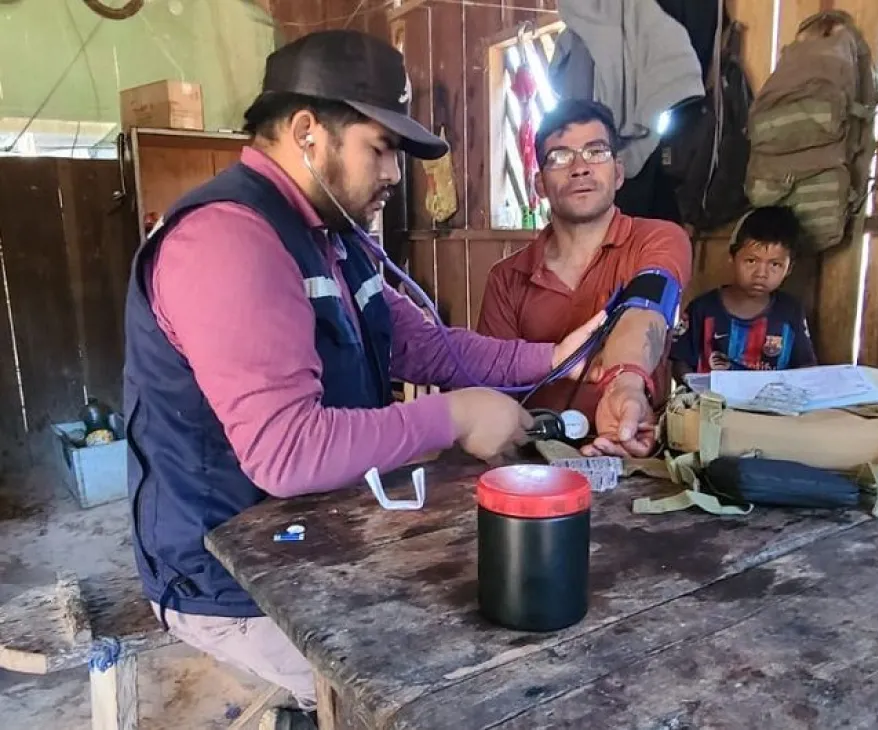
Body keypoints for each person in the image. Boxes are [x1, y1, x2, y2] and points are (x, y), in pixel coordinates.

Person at [123, 30, 603, 729]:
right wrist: (457, 418)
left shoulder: (331, 235)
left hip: (314, 546)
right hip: (228, 584)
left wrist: (553, 357)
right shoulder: (229, 240)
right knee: (456, 697)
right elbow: (287, 452)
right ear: (308, 131)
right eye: (380, 148)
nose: (394, 173)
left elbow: (424, 345)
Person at [477, 99, 693, 458]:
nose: (580, 167)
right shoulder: (506, 278)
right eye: (560, 157)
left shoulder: (658, 239)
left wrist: (624, 387)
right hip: (534, 462)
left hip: (633, 448)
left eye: (595, 152)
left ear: (619, 173)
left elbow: (646, 309)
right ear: (539, 184)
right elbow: (495, 387)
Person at [669, 205, 817, 383]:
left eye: (775, 265)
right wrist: (692, 385)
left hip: (771, 406)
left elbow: (805, 366)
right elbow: (680, 362)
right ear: (732, 257)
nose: (761, 273)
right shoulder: (703, 309)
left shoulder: (790, 312)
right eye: (751, 261)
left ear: (789, 269)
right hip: (712, 405)